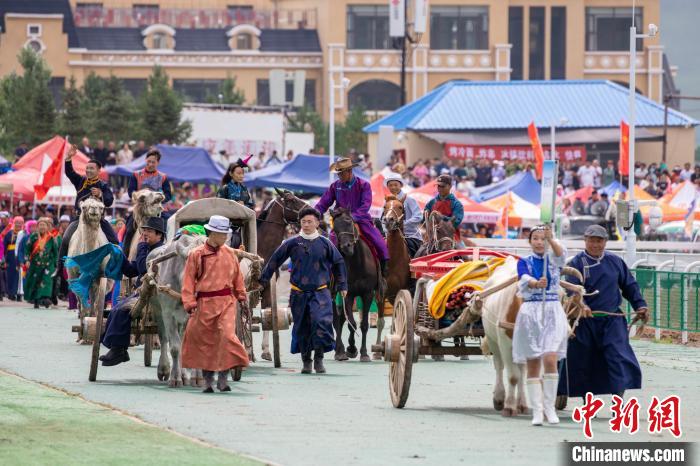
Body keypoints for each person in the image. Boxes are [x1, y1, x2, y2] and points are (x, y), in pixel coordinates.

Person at [558, 225, 649, 399]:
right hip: (584, 321)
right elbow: (572, 291)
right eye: (591, 240)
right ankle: (588, 401)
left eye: (599, 241)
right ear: (585, 241)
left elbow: (630, 286)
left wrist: (640, 305)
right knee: (585, 360)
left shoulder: (615, 262)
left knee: (618, 356)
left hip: (612, 321)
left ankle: (618, 399)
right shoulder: (577, 263)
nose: (595, 244)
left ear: (605, 242)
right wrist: (581, 305)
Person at [259, 207, 347, 374]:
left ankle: (319, 360)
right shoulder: (292, 243)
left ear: (317, 223)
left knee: (321, 323)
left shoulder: (325, 243)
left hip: (321, 292)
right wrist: (263, 280)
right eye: (303, 222)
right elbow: (275, 260)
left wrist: (343, 285)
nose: (306, 225)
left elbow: (338, 262)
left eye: (310, 222)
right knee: (302, 327)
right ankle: (306, 361)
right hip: (298, 293)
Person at [181, 215, 250, 393]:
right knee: (206, 342)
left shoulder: (230, 254)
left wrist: (242, 297)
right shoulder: (196, 255)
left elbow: (237, 278)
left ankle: (223, 379)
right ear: (211, 233)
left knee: (226, 337)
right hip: (204, 303)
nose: (224, 237)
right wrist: (189, 303)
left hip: (226, 302)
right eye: (221, 234)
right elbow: (188, 281)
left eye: (225, 234)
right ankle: (209, 381)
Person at [514, 226, 568, 425]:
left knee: (551, 358)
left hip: (552, 311)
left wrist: (552, 238)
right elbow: (523, 278)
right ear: (530, 242)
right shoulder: (524, 262)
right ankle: (537, 411)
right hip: (531, 312)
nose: (538, 242)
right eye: (535, 238)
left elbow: (561, 255)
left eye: (542, 239)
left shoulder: (553, 260)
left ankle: (550, 408)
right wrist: (535, 283)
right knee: (533, 362)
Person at [100, 217, 166, 366]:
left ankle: (119, 350)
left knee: (121, 311)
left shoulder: (161, 251)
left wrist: (141, 248)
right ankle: (118, 349)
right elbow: (132, 271)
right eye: (144, 230)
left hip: (156, 295)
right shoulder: (146, 248)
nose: (145, 234)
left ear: (159, 235)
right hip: (141, 291)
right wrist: (120, 257)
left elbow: (144, 269)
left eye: (149, 231)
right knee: (115, 309)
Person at [57, 146, 119, 296]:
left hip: (98, 220)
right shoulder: (81, 181)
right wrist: (68, 159)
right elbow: (69, 173)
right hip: (80, 218)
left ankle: (115, 267)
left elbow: (110, 201)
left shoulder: (103, 185)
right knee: (66, 238)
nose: (89, 171)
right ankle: (60, 267)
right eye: (87, 168)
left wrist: (100, 195)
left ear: (99, 170)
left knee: (115, 241)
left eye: (92, 168)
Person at [315, 157, 390, 277]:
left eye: (341, 173)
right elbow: (324, 202)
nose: (339, 175)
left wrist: (354, 217)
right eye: (338, 173)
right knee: (332, 241)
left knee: (377, 239)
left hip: (361, 219)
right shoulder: (335, 186)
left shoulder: (364, 185)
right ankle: (328, 275)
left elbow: (365, 205)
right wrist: (314, 213)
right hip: (340, 220)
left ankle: (384, 264)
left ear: (349, 171)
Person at [382, 173, 422, 257]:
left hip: (410, 235)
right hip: (390, 235)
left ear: (401, 185)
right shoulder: (386, 201)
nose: (393, 187)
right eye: (390, 185)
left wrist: (402, 224)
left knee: (418, 256)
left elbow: (418, 217)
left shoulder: (409, 199)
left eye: (395, 185)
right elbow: (382, 219)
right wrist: (386, 230)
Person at [24, 217, 58, 309]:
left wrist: (55, 264)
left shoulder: (51, 238)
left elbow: (55, 253)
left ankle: (46, 298)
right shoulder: (33, 236)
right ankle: (36, 301)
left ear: (47, 227)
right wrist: (27, 260)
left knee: (46, 281)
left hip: (48, 264)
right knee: (35, 281)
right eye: (40, 225)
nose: (42, 227)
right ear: (37, 226)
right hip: (35, 264)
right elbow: (27, 249)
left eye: (44, 225)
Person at [3, 217, 25, 301]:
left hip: (21, 256)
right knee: (11, 275)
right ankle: (11, 293)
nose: (18, 224)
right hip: (10, 257)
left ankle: (19, 293)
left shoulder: (24, 234)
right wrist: (3, 258)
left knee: (20, 275)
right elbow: (4, 247)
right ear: (14, 223)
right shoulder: (9, 233)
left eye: (20, 223)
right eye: (17, 222)